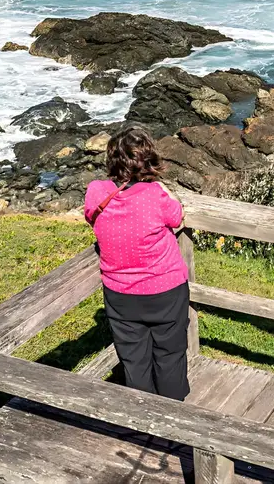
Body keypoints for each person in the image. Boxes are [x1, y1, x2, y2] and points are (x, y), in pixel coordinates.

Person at [85, 127, 191, 401]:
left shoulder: (96, 192)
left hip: (121, 295)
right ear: (149, 160)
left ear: (112, 160)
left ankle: (142, 416)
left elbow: (90, 215)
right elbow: (177, 216)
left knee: (134, 362)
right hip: (166, 290)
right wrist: (163, 188)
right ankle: (173, 414)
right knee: (170, 356)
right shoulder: (155, 194)